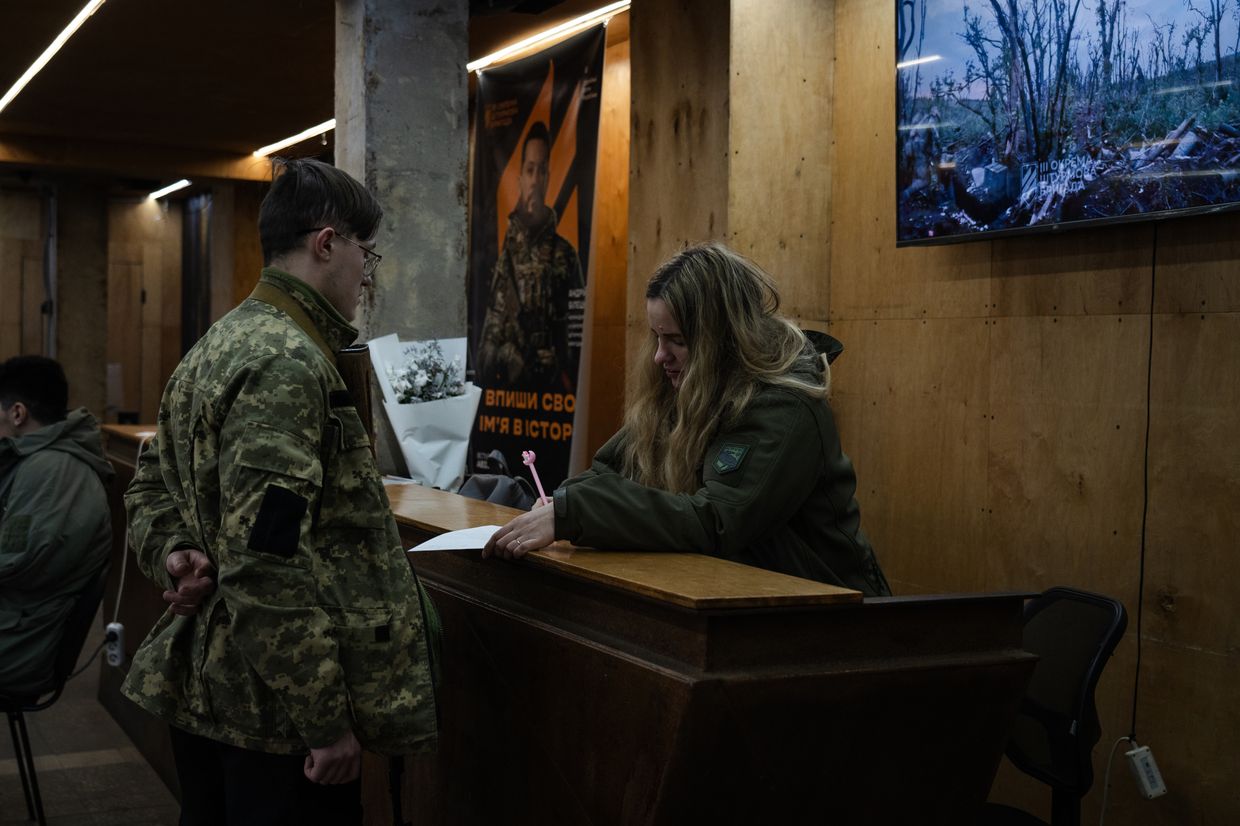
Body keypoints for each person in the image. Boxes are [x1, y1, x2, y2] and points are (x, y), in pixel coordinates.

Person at [122, 158, 438, 826]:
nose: (367, 272)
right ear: (328, 243)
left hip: (218, 692)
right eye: (365, 251)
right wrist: (324, 722)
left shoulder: (218, 343)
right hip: (271, 716)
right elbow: (267, 561)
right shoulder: (287, 364)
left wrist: (176, 550)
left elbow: (151, 486)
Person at [483, 242, 891, 597]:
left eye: (677, 340)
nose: (661, 356)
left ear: (726, 340)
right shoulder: (685, 388)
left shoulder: (786, 409)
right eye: (657, 337)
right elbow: (612, 470)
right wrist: (559, 503)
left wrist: (573, 514)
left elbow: (717, 520)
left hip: (831, 620)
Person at [0, 356, 113, 697]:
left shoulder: (52, 470)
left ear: (17, 413)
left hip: (20, 644)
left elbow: (16, 561)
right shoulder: (40, 461)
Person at [475, 121, 585, 389]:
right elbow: (484, 354)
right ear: (520, 179)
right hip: (512, 402)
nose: (535, 180)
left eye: (542, 171)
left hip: (556, 402)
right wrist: (508, 357)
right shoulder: (505, 260)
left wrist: (560, 360)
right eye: (530, 169)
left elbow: (581, 343)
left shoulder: (566, 255)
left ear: (549, 179)